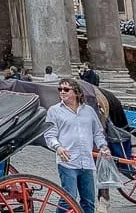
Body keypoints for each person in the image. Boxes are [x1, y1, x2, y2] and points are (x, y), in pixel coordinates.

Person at [44, 79, 110, 213]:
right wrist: (58, 147)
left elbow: (97, 132)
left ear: (77, 93)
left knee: (88, 201)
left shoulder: (89, 111)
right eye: (60, 89)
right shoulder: (54, 111)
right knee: (68, 199)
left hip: (86, 162)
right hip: (67, 162)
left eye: (66, 89)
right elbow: (49, 134)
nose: (62, 92)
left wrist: (103, 146)